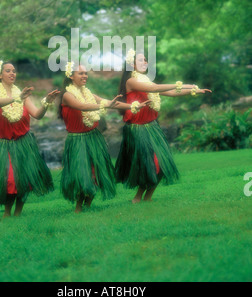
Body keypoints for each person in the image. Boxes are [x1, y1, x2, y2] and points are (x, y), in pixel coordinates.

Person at [115, 50, 212, 203]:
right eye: (141, 60)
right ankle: (137, 198)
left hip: (152, 127)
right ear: (132, 65)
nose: (145, 62)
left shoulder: (145, 80)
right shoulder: (131, 81)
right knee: (149, 164)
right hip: (138, 129)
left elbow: (171, 93)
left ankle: (147, 198)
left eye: (146, 60)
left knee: (163, 162)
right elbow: (155, 89)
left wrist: (193, 91)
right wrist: (184, 84)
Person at [58, 62, 149, 213]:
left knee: (96, 173)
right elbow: (83, 106)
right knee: (83, 174)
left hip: (93, 137)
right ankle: (78, 209)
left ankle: (87, 206)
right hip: (78, 140)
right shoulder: (68, 95)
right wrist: (104, 106)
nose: (85, 76)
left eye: (86, 73)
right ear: (71, 76)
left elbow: (108, 102)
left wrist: (132, 106)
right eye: (81, 73)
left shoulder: (87, 93)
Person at [0, 60, 60, 217]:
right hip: (3, 144)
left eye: (14, 70)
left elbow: (37, 115)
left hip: (23, 142)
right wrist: (16, 98)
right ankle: (7, 213)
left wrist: (46, 103)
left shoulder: (22, 94)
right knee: (10, 180)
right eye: (8, 71)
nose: (12, 73)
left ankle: (18, 214)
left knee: (24, 180)